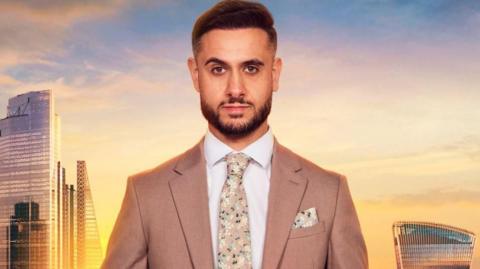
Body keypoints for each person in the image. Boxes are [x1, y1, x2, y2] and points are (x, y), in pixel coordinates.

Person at [101, 0, 368, 268]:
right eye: (218, 69)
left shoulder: (329, 193)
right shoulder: (146, 195)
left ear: (274, 74)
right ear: (195, 75)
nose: (235, 89)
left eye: (251, 68)